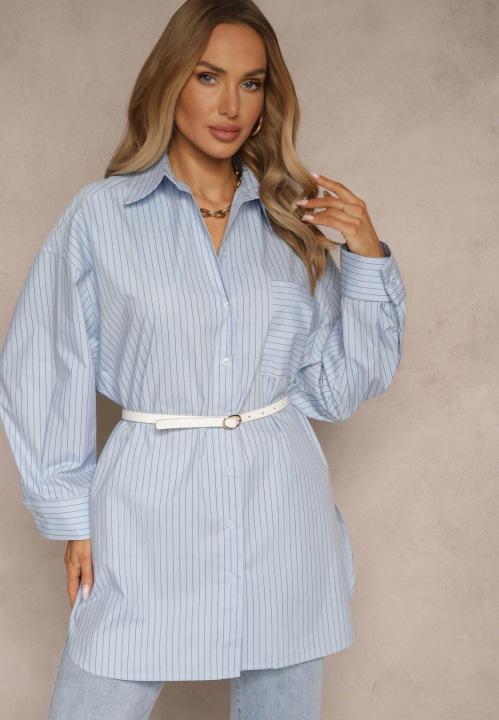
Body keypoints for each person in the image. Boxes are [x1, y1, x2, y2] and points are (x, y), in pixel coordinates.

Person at [0, 0, 406, 718]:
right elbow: (44, 364)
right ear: (170, 80)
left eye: (251, 83)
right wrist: (72, 516)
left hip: (281, 507)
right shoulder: (101, 216)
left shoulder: (291, 223)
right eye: (209, 76)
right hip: (146, 504)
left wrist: (368, 261)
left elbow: (336, 389)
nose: (230, 106)